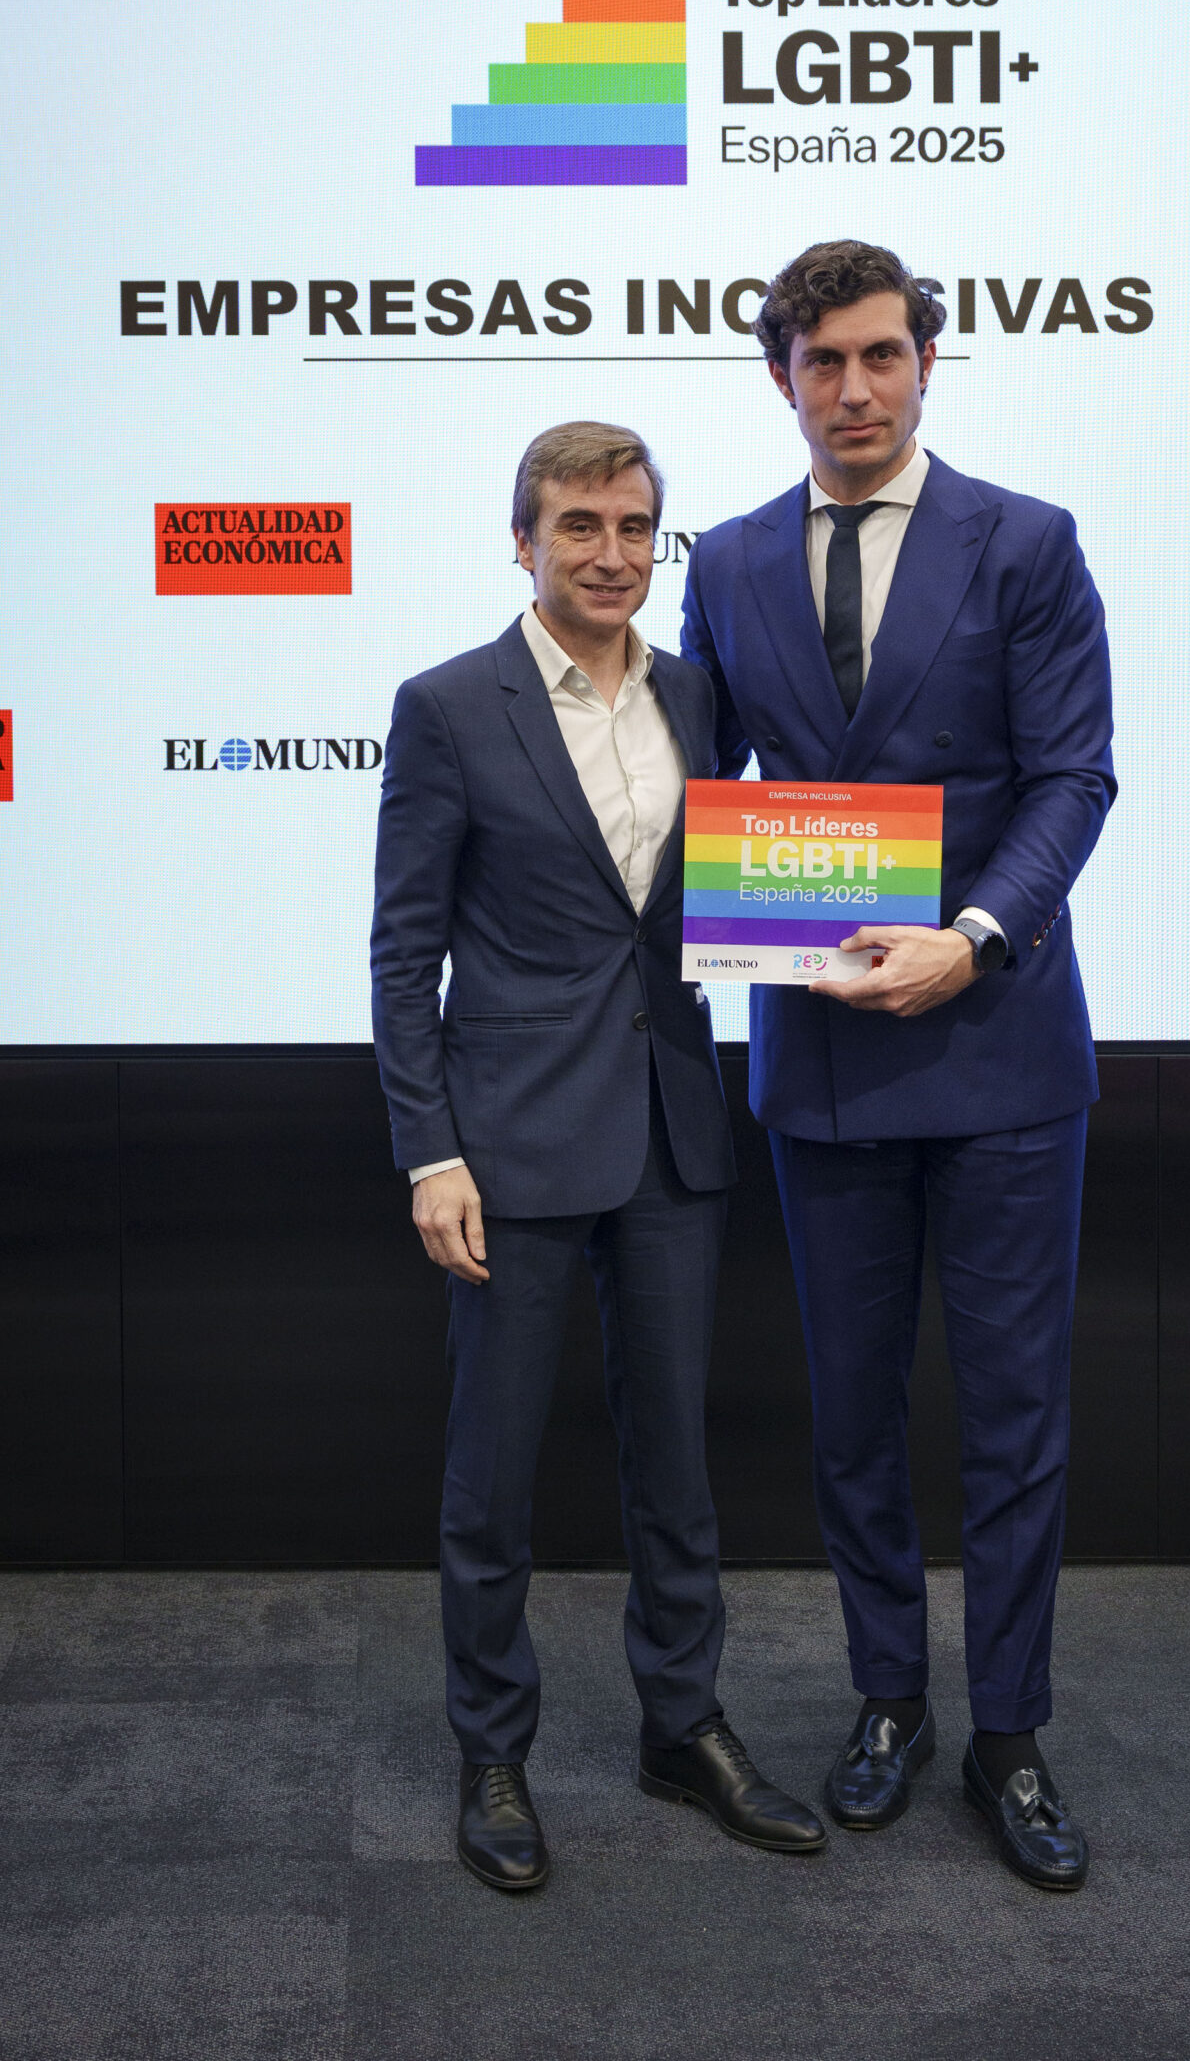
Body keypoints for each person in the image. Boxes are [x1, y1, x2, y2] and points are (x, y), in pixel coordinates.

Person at [681, 243, 1116, 1892]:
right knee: (854, 1414)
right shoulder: (726, 559)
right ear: (780, 379)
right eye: (823, 361)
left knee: (1013, 1419)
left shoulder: (1028, 539)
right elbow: (698, 775)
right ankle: (888, 1701)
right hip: (822, 1049)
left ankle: (1010, 1732)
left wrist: (977, 936)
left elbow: (1072, 777)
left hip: (1001, 1044)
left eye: (881, 355)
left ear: (928, 363)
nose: (854, 389)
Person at [371, 421, 826, 1892]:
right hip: (508, 1146)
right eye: (579, 526)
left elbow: (750, 879)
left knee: (676, 1466)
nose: (611, 554)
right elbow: (403, 957)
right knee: (492, 1476)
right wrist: (429, 1152)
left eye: (634, 527)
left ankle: (681, 1728)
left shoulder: (698, 694)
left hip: (672, 1134)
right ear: (525, 543)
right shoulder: (449, 706)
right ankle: (492, 1749)